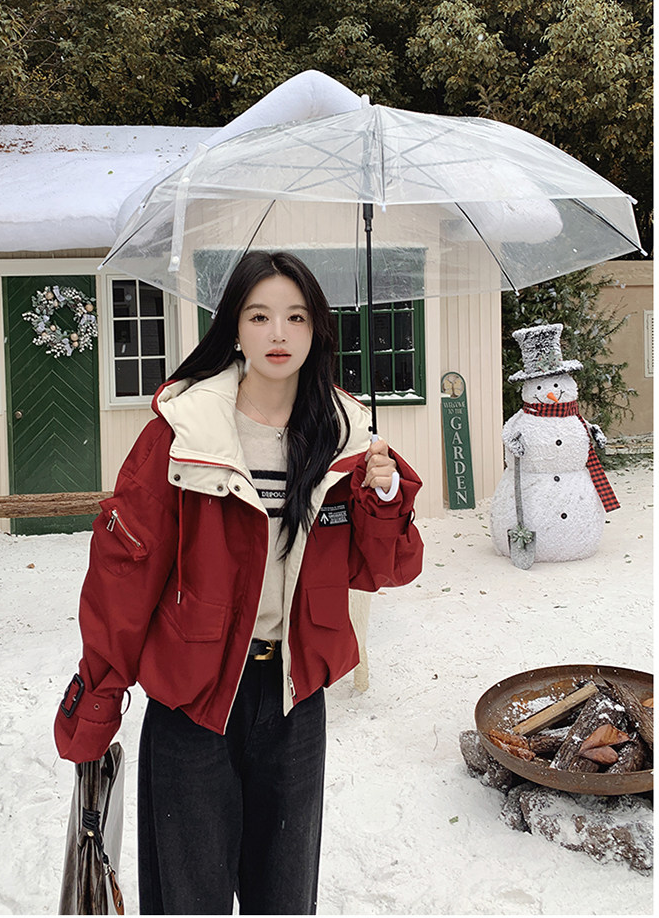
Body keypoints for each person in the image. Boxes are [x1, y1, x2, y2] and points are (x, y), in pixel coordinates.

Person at [55, 250, 424, 915]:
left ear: (317, 330)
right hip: (193, 699)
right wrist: (99, 697)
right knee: (188, 901)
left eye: (296, 317)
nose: (278, 334)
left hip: (293, 700)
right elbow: (124, 575)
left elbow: (384, 569)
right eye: (259, 316)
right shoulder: (182, 435)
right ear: (234, 327)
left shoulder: (345, 442)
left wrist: (385, 495)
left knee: (284, 898)